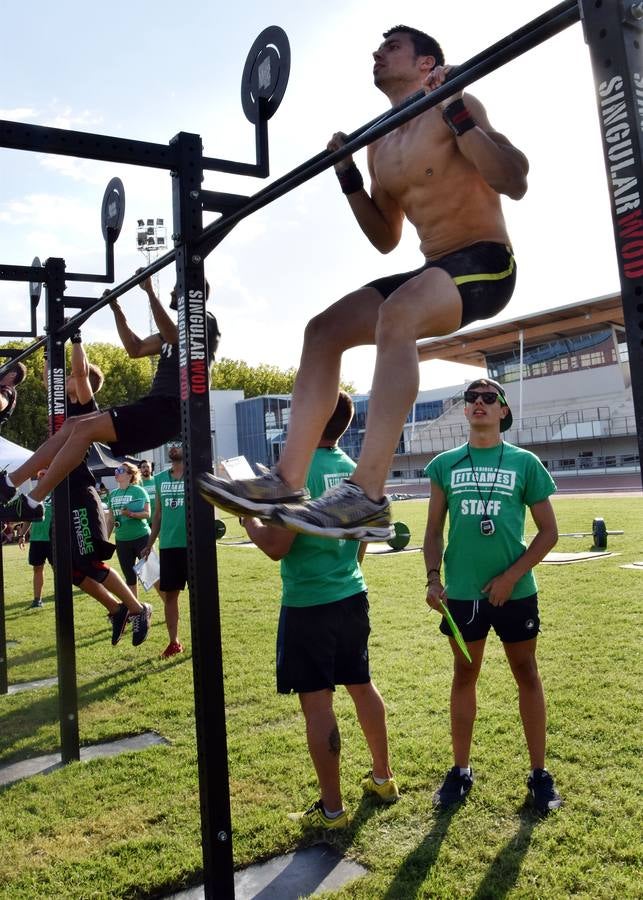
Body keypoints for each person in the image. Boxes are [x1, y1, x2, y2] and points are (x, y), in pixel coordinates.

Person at [197, 25, 528, 541]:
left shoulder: (453, 103)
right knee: (323, 330)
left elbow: (515, 179)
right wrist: (348, 175)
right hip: (431, 268)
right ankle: (286, 480)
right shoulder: (381, 142)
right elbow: (385, 237)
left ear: (426, 63)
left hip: (487, 262)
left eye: (391, 47)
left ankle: (368, 494)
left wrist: (459, 113)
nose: (377, 53)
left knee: (396, 313)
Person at [240, 392, 398, 829]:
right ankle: (383, 778)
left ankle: (333, 811)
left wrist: (248, 519)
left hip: (308, 604)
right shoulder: (355, 472)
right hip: (351, 595)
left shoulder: (295, 472)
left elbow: (277, 548)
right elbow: (364, 539)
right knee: (362, 685)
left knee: (318, 706)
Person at [423, 378, 562, 814]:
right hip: (462, 593)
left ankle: (540, 774)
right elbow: (431, 531)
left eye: (488, 399)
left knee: (527, 675)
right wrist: (432, 578)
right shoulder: (444, 464)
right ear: (465, 411)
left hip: (515, 593)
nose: (479, 404)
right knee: (464, 677)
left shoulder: (525, 463)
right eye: (471, 399)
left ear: (503, 410)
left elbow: (549, 532)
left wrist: (510, 576)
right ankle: (460, 770)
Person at [0, 274, 220, 521]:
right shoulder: (171, 333)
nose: (170, 293)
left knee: (83, 430)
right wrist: (117, 309)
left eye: (174, 289)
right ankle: (9, 483)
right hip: (154, 407)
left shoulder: (203, 320)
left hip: (168, 410)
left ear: (186, 294)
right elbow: (135, 349)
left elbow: (172, 335)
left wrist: (149, 292)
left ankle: (32, 500)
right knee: (73, 424)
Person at [37, 338, 152, 646]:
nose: (65, 378)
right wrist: (48, 351)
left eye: (71, 376)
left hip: (80, 496)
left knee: (89, 562)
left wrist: (74, 338)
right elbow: (53, 377)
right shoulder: (60, 405)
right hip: (62, 493)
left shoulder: (86, 407)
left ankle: (139, 608)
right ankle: (116, 610)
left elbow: (80, 369)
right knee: (63, 564)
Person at [142, 442, 186, 659]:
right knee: (170, 596)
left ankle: (203, 639)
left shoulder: (196, 476)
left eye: (179, 444)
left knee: (202, 596)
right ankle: (174, 642)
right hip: (169, 545)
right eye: (172, 445)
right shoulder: (159, 478)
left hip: (193, 546)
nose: (174, 447)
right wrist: (149, 544)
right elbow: (157, 514)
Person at [105, 462, 152, 600]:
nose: (117, 472)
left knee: (150, 576)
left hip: (141, 538)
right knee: (130, 578)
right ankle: (136, 612)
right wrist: (105, 541)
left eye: (120, 470)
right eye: (116, 470)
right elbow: (110, 521)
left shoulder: (138, 490)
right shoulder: (112, 494)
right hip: (122, 541)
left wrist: (131, 514)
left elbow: (147, 514)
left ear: (130, 475)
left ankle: (169, 605)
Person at [24, 469, 53, 608]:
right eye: (39, 476)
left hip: (53, 539)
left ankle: (61, 596)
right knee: (37, 569)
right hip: (36, 539)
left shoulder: (56, 494)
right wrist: (22, 534)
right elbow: (28, 518)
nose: (41, 478)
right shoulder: (33, 496)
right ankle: (37, 600)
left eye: (44, 475)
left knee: (59, 569)